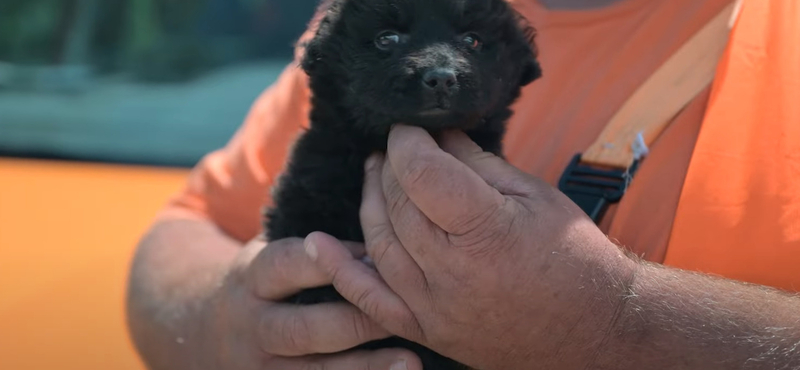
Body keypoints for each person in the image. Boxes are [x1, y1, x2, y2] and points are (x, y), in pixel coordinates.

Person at [125, 0, 800, 369]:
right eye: (391, 41)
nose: (441, 69)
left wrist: (615, 325)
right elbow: (187, 229)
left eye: (473, 48)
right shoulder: (358, 17)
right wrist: (225, 326)